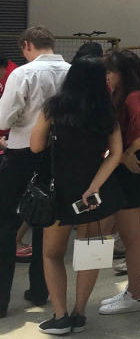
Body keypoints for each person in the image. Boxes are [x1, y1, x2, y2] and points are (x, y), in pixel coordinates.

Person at [27, 57, 122, 334]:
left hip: (60, 191)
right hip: (94, 196)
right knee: (90, 253)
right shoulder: (107, 112)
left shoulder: (54, 108)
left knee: (51, 254)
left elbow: (35, 146)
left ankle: (60, 316)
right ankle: (80, 314)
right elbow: (115, 153)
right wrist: (94, 186)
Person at [0, 27, 70, 317]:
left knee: (5, 223)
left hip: (21, 153)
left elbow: (4, 116)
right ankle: (41, 290)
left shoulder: (23, 74)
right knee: (47, 222)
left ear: (27, 45)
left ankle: (1, 301)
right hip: (59, 154)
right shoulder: (72, 72)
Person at [99, 50, 140, 315]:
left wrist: (124, 155)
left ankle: (135, 294)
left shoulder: (134, 97)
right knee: (129, 233)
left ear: (121, 73)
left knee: (132, 234)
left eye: (110, 72)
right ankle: (135, 290)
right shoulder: (135, 94)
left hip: (130, 170)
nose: (107, 77)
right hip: (129, 168)